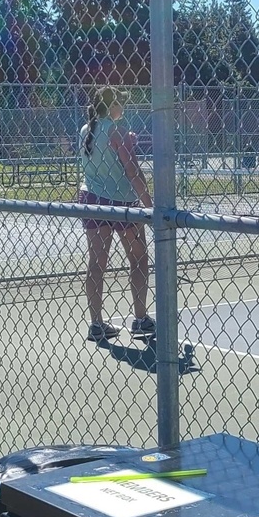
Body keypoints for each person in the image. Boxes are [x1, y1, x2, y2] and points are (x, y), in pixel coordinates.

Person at [78, 86, 154, 342]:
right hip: (121, 204)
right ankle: (141, 319)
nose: (123, 107)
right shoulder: (116, 131)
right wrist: (149, 206)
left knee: (96, 263)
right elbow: (133, 171)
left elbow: (108, 153)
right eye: (120, 102)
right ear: (111, 107)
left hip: (92, 201)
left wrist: (125, 141)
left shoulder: (86, 130)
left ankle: (96, 324)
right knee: (139, 259)